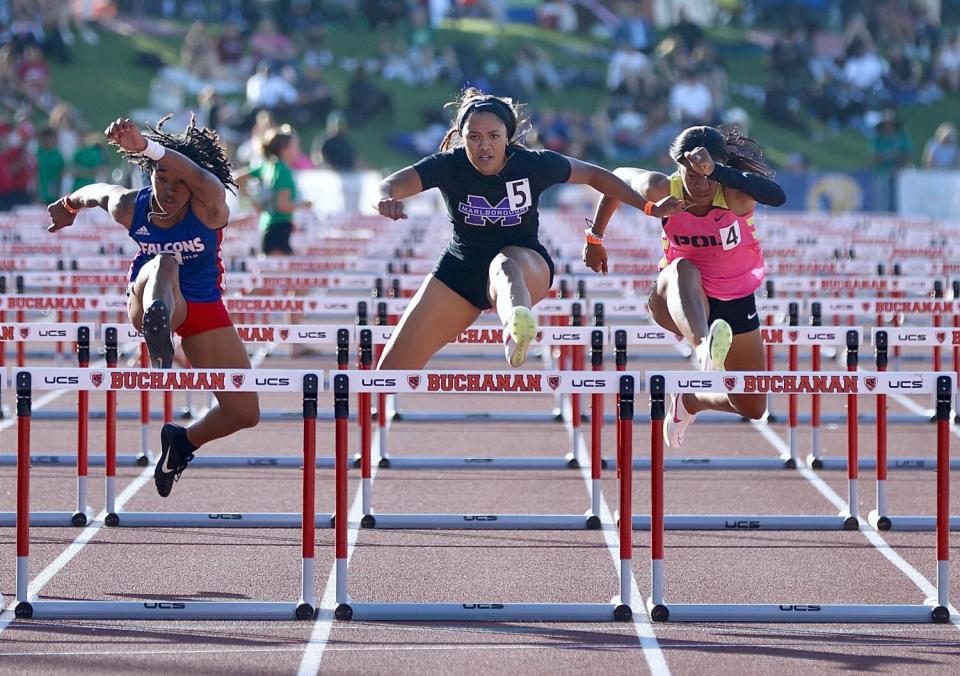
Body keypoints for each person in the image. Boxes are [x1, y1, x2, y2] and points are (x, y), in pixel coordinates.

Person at [374, 87, 685, 370]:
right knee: (388, 371)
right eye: (474, 137)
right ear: (461, 136)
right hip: (461, 269)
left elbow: (596, 175)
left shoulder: (533, 164)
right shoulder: (447, 165)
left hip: (526, 264)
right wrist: (386, 199)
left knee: (504, 264)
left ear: (507, 136)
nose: (484, 146)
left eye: (494, 136)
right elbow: (389, 184)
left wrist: (648, 208)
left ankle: (516, 329)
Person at [46, 116, 260, 497]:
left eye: (180, 182)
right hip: (147, 296)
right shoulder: (132, 206)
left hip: (200, 305)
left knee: (244, 412)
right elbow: (97, 191)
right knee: (164, 261)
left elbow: (200, 177)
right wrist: (68, 205)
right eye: (162, 178)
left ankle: (181, 442)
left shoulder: (210, 205)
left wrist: (147, 147)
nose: (171, 190)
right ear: (150, 177)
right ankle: (157, 335)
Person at [586, 125, 786, 448]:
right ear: (678, 169)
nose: (700, 185)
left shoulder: (734, 195)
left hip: (734, 301)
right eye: (691, 176)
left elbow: (777, 196)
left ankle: (691, 401)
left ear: (718, 169)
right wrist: (595, 237)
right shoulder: (664, 188)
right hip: (675, 297)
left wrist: (717, 172)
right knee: (683, 268)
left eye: (707, 175)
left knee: (753, 406)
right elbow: (617, 177)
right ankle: (705, 346)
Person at [236, 124, 312, 256]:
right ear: (284, 149)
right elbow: (282, 206)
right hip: (279, 229)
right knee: (278, 272)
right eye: (295, 146)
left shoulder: (267, 166)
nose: (298, 150)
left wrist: (254, 202)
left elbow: (237, 178)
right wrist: (304, 205)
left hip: (267, 227)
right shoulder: (283, 171)